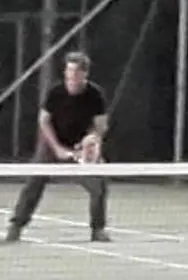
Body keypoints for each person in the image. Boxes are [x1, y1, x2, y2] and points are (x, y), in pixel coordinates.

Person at [7, 51, 111, 243]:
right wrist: (56, 148)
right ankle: (17, 225)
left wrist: (91, 142)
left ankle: (98, 229)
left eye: (75, 72)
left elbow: (101, 126)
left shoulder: (95, 95)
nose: (70, 76)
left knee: (99, 186)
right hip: (52, 145)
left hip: (80, 150)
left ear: (84, 74)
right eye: (68, 71)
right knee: (34, 182)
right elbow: (43, 120)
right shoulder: (56, 92)